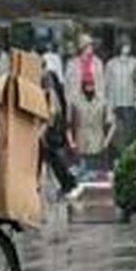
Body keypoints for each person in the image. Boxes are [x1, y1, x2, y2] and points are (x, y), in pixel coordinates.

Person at [40, 69, 79, 197]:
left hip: (51, 129)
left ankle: (68, 182)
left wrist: (44, 129)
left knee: (54, 158)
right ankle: (67, 182)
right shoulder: (56, 91)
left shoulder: (50, 92)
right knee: (54, 158)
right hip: (55, 129)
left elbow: (52, 111)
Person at [70, 76, 116, 176]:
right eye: (87, 85)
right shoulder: (75, 102)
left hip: (98, 141)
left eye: (91, 85)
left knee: (98, 175)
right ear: (82, 86)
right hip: (81, 141)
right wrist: (71, 142)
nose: (89, 87)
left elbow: (112, 124)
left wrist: (106, 142)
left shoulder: (103, 101)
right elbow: (68, 124)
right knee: (82, 174)